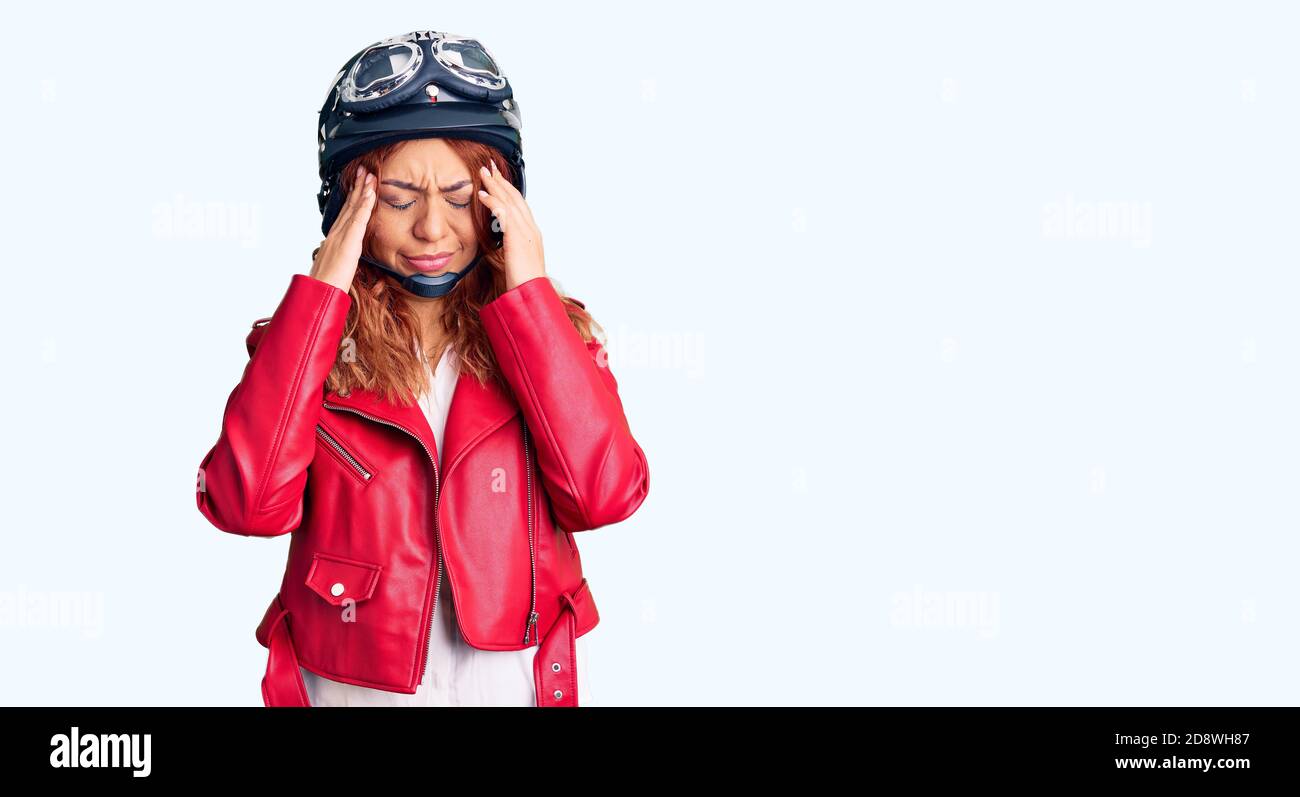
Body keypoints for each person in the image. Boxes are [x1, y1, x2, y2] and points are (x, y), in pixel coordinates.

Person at [195, 30, 650, 707]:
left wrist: (529, 297)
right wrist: (320, 296)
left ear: (501, 203)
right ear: (351, 205)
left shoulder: (554, 335)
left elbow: (604, 495)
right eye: (401, 198)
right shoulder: (303, 342)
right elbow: (247, 505)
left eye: (461, 196)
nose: (433, 229)